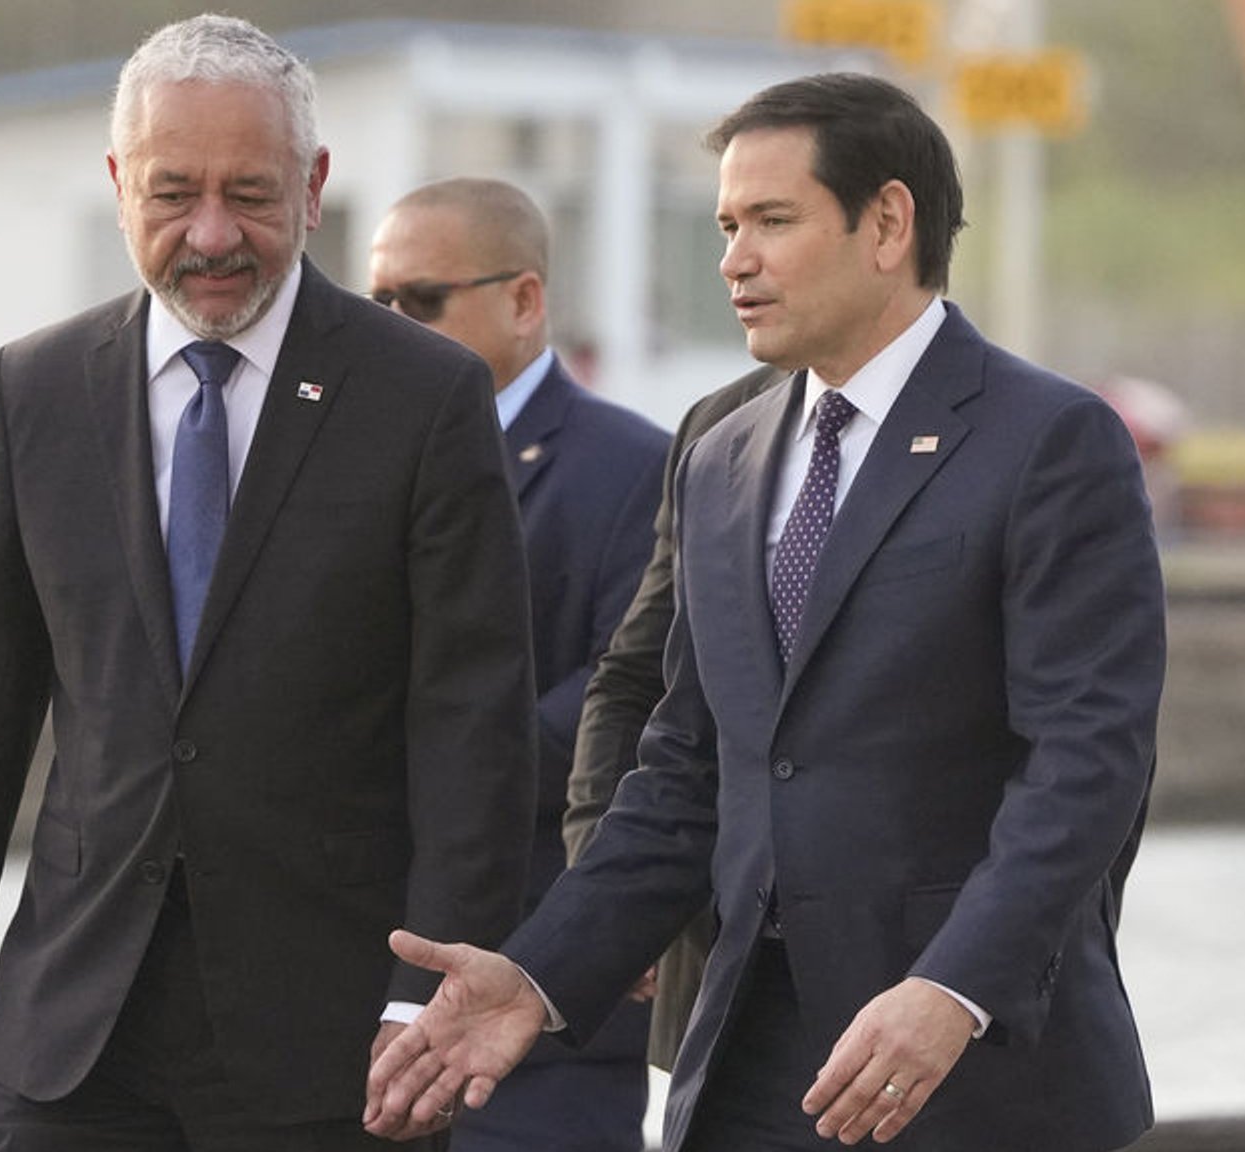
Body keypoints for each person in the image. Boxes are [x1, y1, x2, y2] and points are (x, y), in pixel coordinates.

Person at [365, 71, 1165, 1152]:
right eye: (726, 225)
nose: (733, 259)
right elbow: (686, 761)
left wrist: (952, 990)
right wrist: (538, 972)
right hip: (747, 1056)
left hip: (974, 1073)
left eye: (772, 222)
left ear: (886, 224)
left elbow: (1085, 762)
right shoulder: (719, 451)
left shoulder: (1048, 442)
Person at [0, 15, 536, 1151]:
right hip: (73, 1030)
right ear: (119, 182)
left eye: (250, 193)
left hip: (332, 1043)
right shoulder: (35, 390)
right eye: (173, 193)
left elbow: (473, 721)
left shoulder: (422, 397)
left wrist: (426, 994)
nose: (211, 234)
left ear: (316, 186)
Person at [368, 178, 668, 1152]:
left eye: (420, 301)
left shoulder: (636, 469)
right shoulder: (341, 463)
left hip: (542, 994)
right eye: (374, 304)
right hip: (354, 990)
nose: (389, 326)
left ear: (524, 301)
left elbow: (627, 700)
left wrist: (420, 763)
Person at [561, 363, 781, 1074]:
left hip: (920, 1007)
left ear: (885, 242)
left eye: (767, 238)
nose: (736, 262)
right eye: (727, 239)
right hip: (725, 993)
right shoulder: (716, 428)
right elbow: (635, 680)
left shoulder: (1030, 430)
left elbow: (1075, 751)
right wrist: (610, 905)